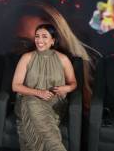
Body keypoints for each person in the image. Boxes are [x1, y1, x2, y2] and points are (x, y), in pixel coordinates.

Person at [12, 23, 77, 151]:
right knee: (30, 102)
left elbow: (73, 83)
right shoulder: (27, 57)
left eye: (44, 36)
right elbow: (15, 86)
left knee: (34, 111)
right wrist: (38, 92)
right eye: (37, 36)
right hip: (28, 100)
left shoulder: (63, 59)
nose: (39, 40)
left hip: (54, 103)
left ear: (52, 40)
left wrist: (67, 88)